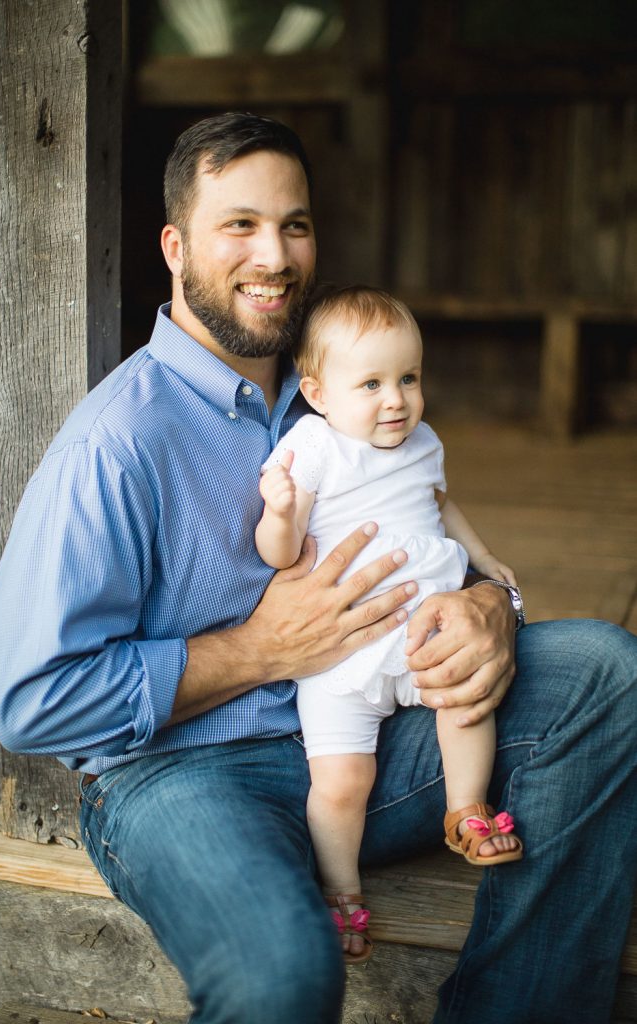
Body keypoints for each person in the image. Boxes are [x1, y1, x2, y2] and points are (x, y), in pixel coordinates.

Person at [0, 111, 636, 1024]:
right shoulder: (118, 442)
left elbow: (435, 522)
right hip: (184, 778)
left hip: (368, 729)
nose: (275, 254)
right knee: (281, 977)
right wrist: (256, 650)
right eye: (239, 225)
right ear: (175, 246)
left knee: (606, 672)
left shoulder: (334, 387)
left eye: (293, 224)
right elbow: (31, 701)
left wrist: (492, 602)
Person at [255, 285, 523, 962]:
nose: (395, 400)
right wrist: (280, 513)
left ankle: (463, 807)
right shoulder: (312, 446)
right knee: (342, 781)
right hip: (341, 657)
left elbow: (441, 503)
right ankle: (341, 889)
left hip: (423, 633)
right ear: (316, 392)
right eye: (370, 383)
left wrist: (482, 556)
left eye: (408, 378)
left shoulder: (422, 440)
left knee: (464, 702)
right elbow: (279, 556)